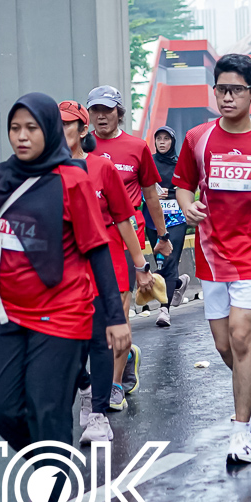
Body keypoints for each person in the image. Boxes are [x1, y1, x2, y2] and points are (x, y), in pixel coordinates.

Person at [0, 94, 127, 502]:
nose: (23, 136)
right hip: (6, 312)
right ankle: (56, 463)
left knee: (47, 406)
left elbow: (97, 250)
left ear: (48, 130)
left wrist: (114, 316)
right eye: (15, 128)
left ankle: (50, 498)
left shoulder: (72, 180)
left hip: (63, 312)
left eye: (31, 128)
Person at [173, 53, 251, 465]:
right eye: (221, 90)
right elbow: (184, 185)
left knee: (243, 336)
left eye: (236, 90)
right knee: (224, 344)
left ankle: (241, 431)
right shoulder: (197, 138)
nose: (227, 97)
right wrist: (188, 206)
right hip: (212, 253)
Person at [61, 100, 150, 444]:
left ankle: (98, 414)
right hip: (63, 271)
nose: (59, 132)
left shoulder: (102, 168)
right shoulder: (41, 173)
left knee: (100, 339)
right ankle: (86, 387)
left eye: (67, 125)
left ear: (83, 130)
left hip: (104, 262)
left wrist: (140, 265)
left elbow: (124, 219)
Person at [84, 84, 164, 355]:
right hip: (89, 234)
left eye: (107, 110)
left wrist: (162, 236)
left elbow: (150, 195)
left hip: (126, 232)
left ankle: (119, 369)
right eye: (95, 110)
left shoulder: (137, 147)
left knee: (119, 305)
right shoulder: (80, 149)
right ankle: (122, 356)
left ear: (119, 113)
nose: (101, 116)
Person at [147, 124, 185, 327]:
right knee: (161, 263)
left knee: (169, 261)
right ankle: (178, 283)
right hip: (153, 219)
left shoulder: (180, 164)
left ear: (172, 142)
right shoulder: (149, 162)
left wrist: (175, 192)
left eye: (166, 139)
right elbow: (140, 186)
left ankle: (164, 310)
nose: (162, 143)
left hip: (176, 218)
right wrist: (151, 192)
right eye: (159, 139)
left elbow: (189, 187)